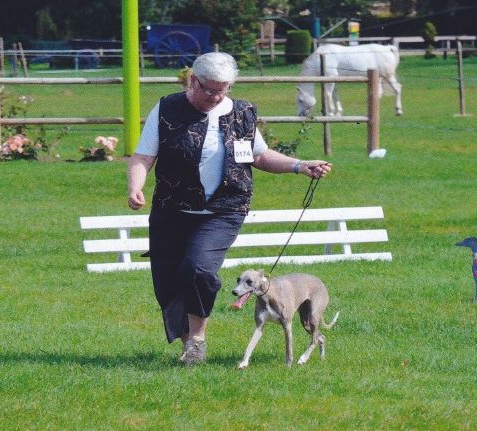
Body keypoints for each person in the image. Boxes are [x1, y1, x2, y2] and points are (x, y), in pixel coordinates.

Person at [127, 52, 331, 365]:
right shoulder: (167, 108)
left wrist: (300, 165)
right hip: (172, 210)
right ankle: (188, 347)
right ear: (192, 80)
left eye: (222, 90)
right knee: (168, 281)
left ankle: (197, 340)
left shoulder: (242, 113)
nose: (215, 96)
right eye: (208, 89)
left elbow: (259, 157)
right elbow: (143, 156)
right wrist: (135, 187)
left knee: (198, 269)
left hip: (224, 209)